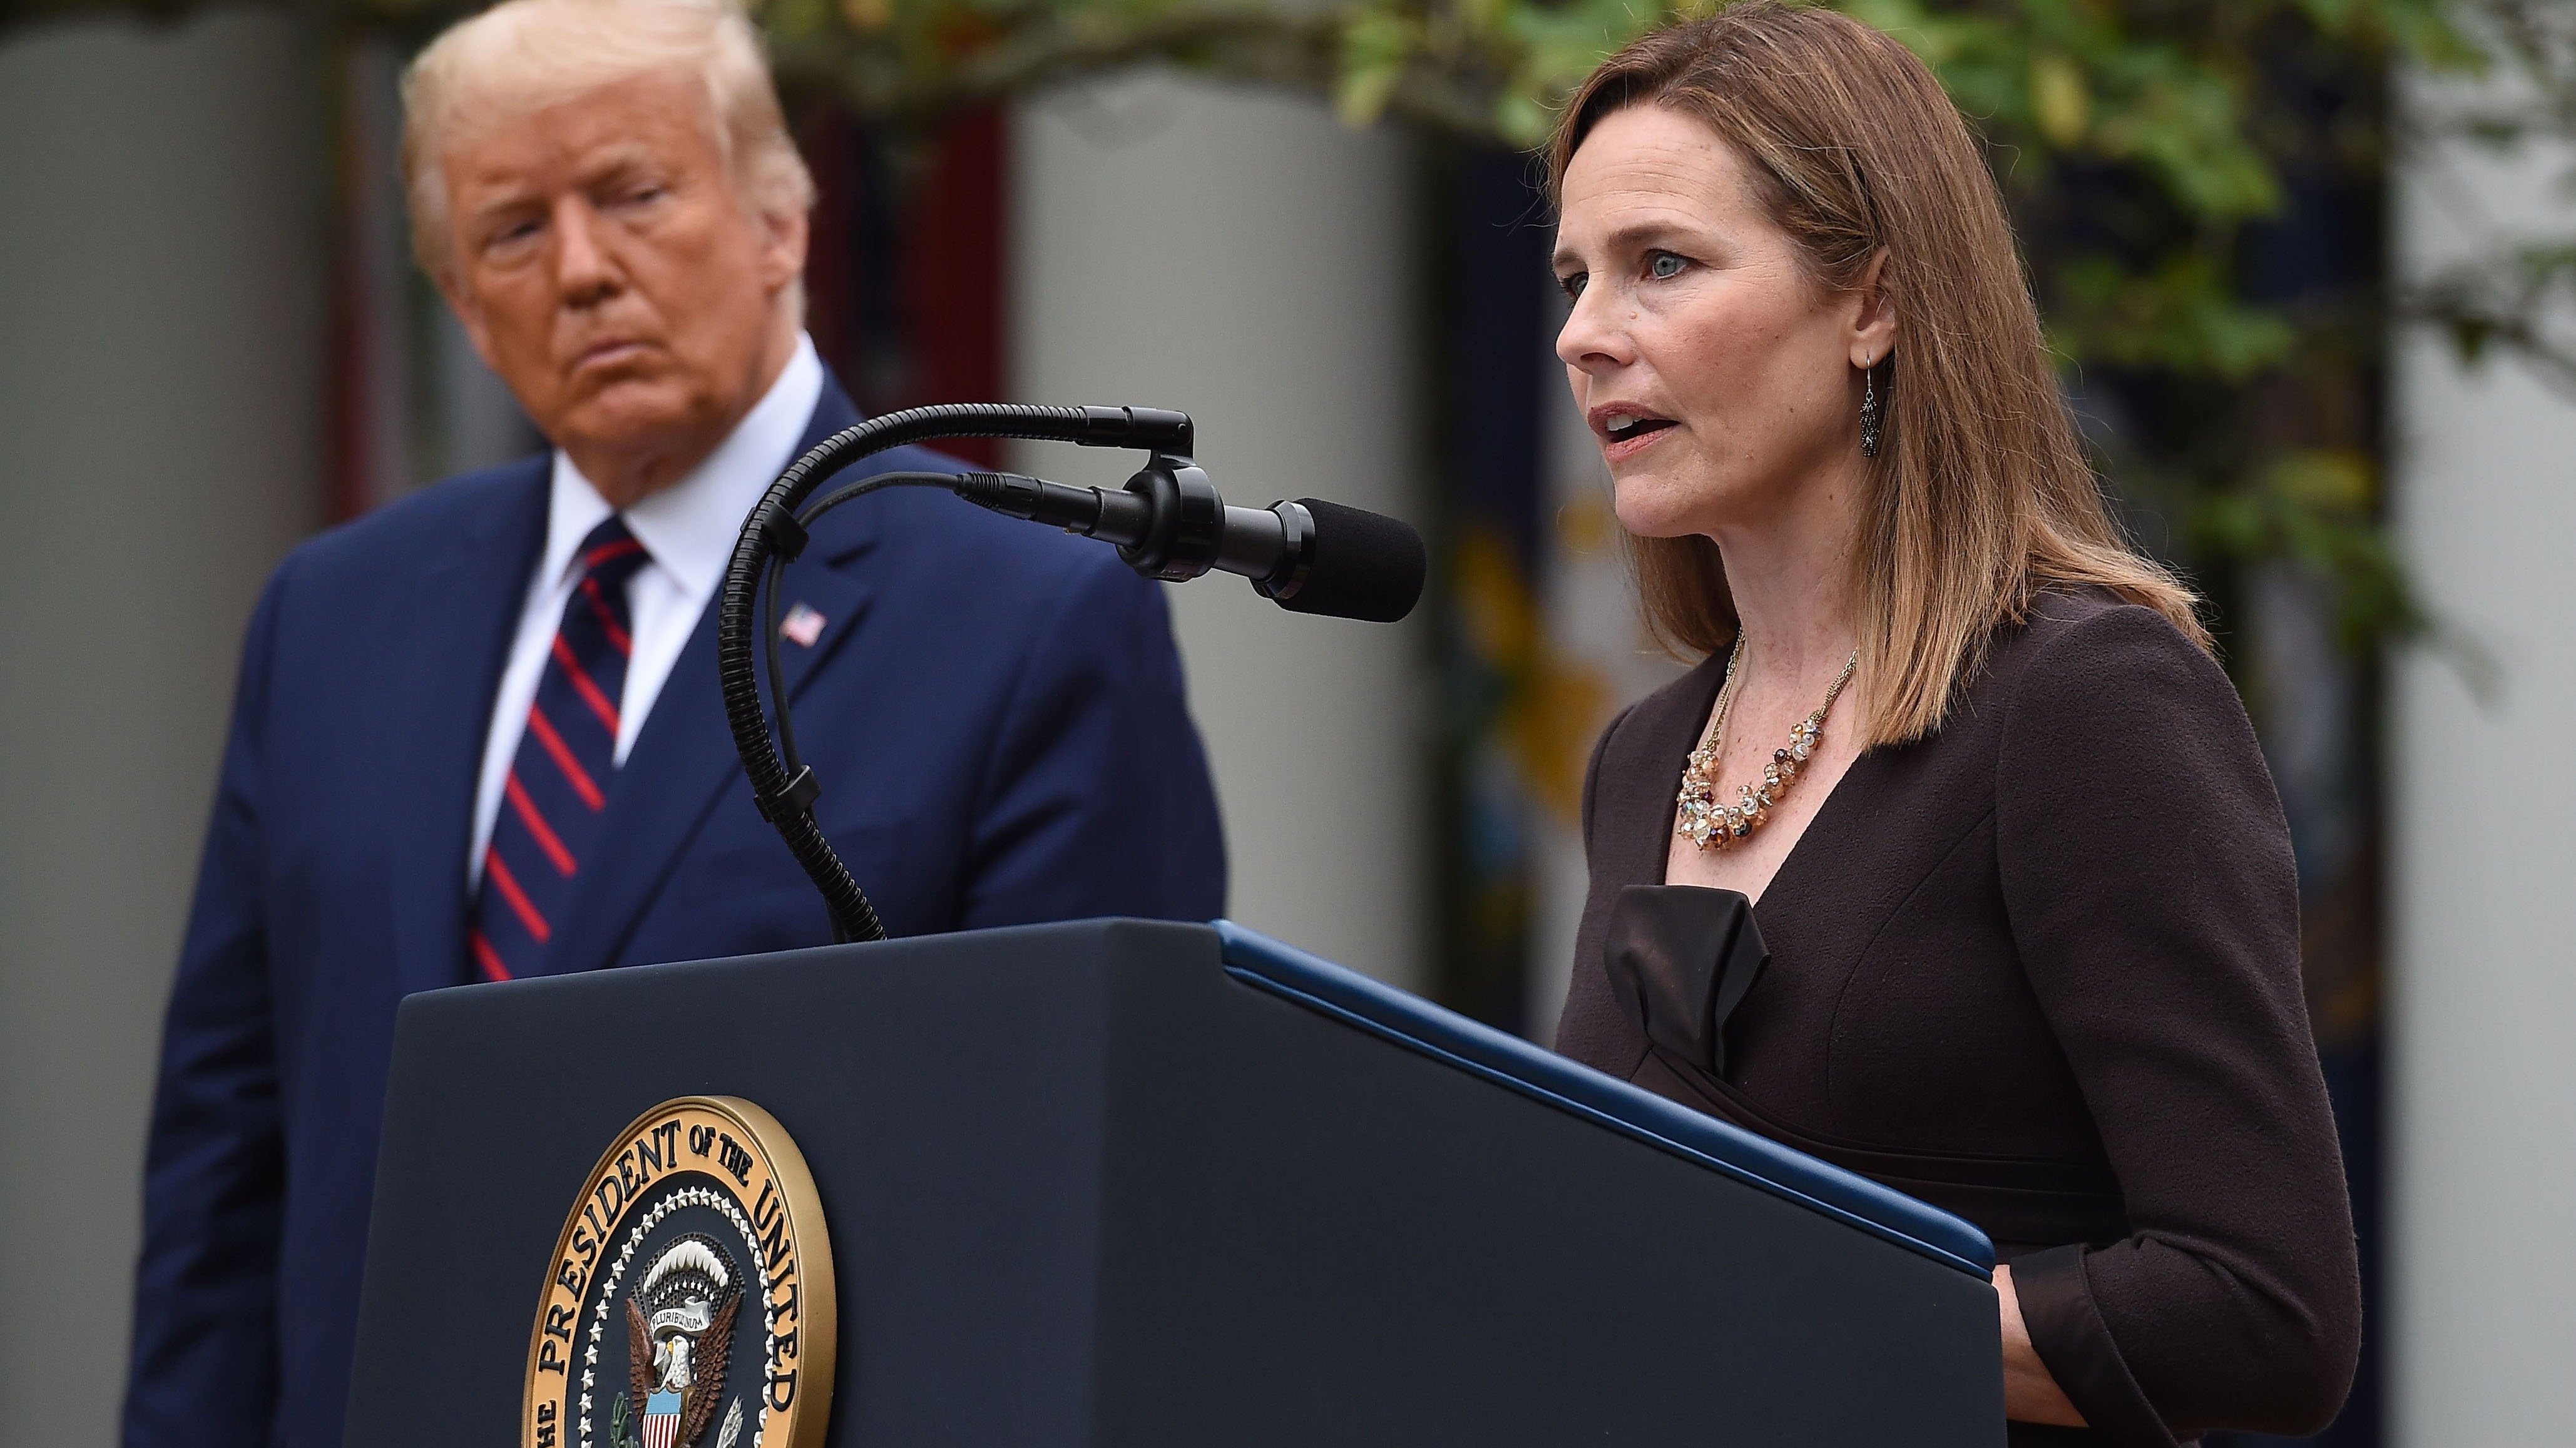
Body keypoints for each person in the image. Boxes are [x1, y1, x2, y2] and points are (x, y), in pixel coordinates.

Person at [121, 1, 1225, 1444]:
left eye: (635, 194)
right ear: (459, 297)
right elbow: (226, 1172)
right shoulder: (331, 621)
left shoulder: (1028, 624)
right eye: (513, 231)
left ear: (781, 221)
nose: (583, 270)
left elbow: (1088, 1204)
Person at [1545, 8, 2358, 1445]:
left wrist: (1777, 1290)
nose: (1585, 334)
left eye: (1660, 264)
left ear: (1874, 303)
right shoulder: (1639, 759)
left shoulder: (2086, 704)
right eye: (1575, 277)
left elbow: (2265, 1308)